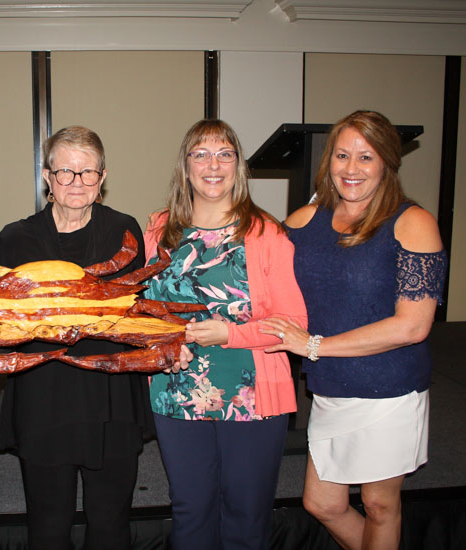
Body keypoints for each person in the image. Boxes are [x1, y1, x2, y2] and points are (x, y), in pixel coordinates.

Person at [260, 110, 447, 550]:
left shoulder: (412, 222)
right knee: (322, 503)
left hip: (388, 387)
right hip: (331, 387)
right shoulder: (306, 220)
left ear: (387, 162)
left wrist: (314, 345)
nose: (351, 168)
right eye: (342, 155)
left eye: (366, 157)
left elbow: (413, 326)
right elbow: (262, 275)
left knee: (380, 505)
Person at [142, 119, 307, 550]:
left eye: (224, 154)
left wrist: (229, 334)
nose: (212, 165)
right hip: (175, 392)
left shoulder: (266, 233)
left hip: (251, 397)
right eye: (201, 154)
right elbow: (144, 309)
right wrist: (162, 344)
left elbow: (294, 324)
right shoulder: (160, 230)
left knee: (245, 515)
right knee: (190, 511)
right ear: (186, 166)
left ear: (239, 165)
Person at [0, 126, 154, 550]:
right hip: (44, 397)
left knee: (110, 524)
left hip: (110, 394)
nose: (76, 183)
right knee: (47, 528)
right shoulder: (15, 238)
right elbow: (3, 322)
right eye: (65, 172)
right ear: (47, 177)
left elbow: (135, 310)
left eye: (87, 172)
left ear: (102, 177)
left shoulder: (125, 231)